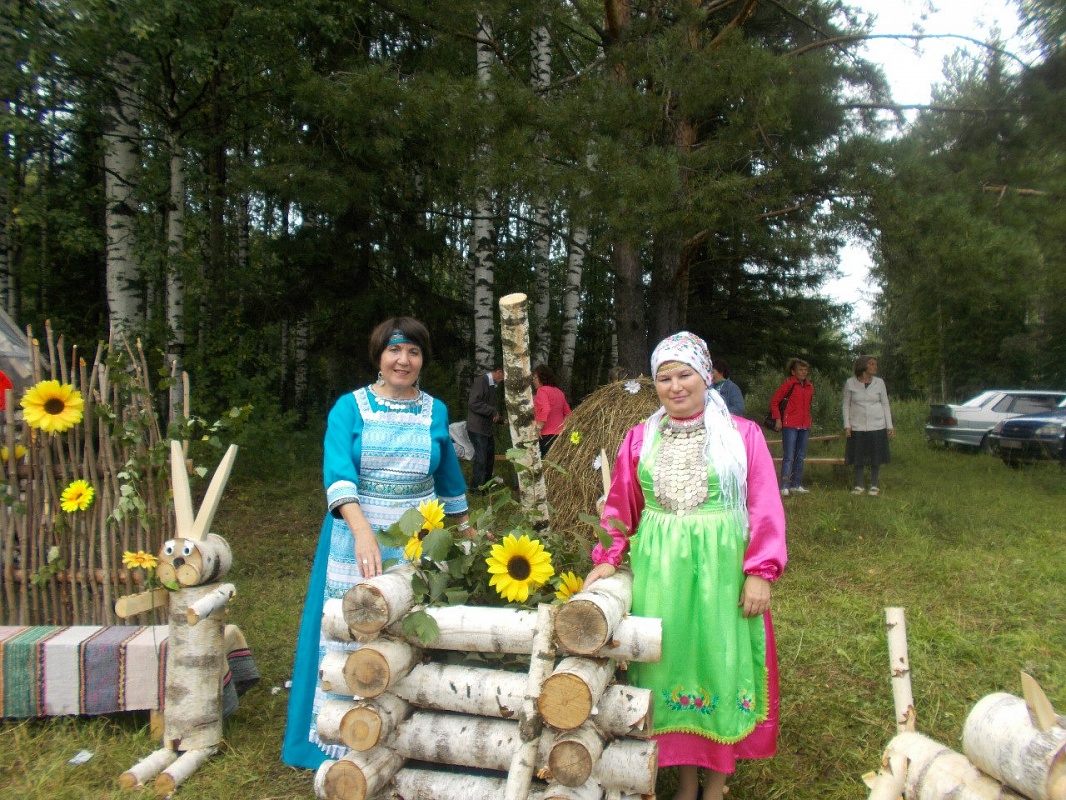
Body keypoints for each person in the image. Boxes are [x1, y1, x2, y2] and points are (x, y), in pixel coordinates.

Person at [583, 332, 786, 800]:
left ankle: (716, 783)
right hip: (661, 574)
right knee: (666, 661)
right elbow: (619, 506)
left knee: (720, 660)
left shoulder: (742, 436)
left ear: (706, 376)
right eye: (664, 378)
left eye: (685, 375)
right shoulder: (640, 438)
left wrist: (760, 571)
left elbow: (765, 506)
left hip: (722, 571)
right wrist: (608, 558)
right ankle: (685, 778)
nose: (675, 387)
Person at [282, 317, 470, 770]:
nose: (403, 360)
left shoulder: (435, 410)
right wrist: (363, 530)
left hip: (420, 536)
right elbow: (338, 472)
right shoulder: (351, 408)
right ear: (379, 356)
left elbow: (447, 475)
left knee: (414, 625)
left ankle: (410, 732)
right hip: (357, 530)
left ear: (423, 359)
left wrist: (465, 529)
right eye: (394, 351)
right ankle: (344, 731)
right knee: (355, 625)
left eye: (413, 352)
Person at [842, 354, 895, 496]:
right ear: (863, 366)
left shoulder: (879, 382)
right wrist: (847, 425)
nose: (875, 367)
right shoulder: (850, 383)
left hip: (877, 425)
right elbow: (846, 405)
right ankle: (859, 486)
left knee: (875, 456)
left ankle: (874, 486)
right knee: (858, 456)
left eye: (875, 364)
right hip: (857, 425)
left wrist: (890, 426)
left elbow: (885, 404)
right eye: (871, 364)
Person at [770, 358, 814, 497]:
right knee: (789, 455)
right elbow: (775, 401)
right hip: (790, 425)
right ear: (793, 371)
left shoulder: (809, 386)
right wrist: (778, 418)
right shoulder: (789, 384)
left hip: (804, 425)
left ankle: (796, 484)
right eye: (801, 370)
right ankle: (784, 485)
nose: (804, 372)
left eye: (805, 370)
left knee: (800, 456)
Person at [466, 365, 504, 493]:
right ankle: (475, 489)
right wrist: (492, 411)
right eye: (503, 376)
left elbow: (490, 411)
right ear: (498, 371)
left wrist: (501, 420)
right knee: (481, 459)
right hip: (477, 428)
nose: (503, 379)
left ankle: (485, 487)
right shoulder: (481, 381)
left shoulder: (492, 385)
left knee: (489, 459)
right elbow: (474, 403)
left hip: (486, 429)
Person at [532, 364, 572, 458]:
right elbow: (568, 414)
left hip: (545, 435)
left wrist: (538, 428)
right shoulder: (559, 392)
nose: (533, 381)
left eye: (535, 378)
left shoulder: (542, 391)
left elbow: (546, 409)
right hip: (559, 436)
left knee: (543, 465)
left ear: (542, 377)